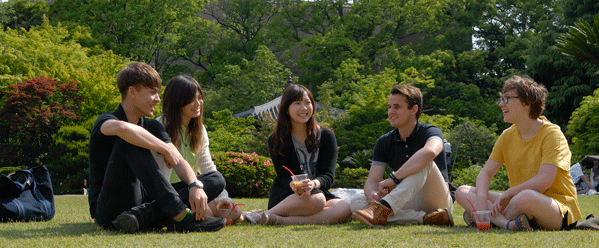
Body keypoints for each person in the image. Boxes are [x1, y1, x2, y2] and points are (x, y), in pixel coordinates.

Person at [87, 62, 225, 233]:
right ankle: (178, 212)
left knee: (215, 179)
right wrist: (165, 148)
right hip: (108, 208)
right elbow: (121, 129)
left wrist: (194, 185)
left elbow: (179, 160)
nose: (158, 99)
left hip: (141, 202)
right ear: (132, 92)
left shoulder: (153, 126)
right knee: (130, 137)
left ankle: (143, 217)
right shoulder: (106, 120)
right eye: (152, 93)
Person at [455, 75, 581, 231]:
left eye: (507, 99)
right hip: (516, 203)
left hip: (555, 209)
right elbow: (485, 173)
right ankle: (506, 223)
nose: (501, 104)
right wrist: (481, 198)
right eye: (501, 99)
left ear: (527, 103)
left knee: (524, 196)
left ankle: (485, 218)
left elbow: (545, 179)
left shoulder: (552, 134)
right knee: (462, 191)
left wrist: (508, 193)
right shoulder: (507, 136)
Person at [244, 84, 352, 225]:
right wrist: (294, 185)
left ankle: (279, 220)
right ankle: (267, 214)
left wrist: (313, 184)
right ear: (287, 109)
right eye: (297, 103)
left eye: (308, 103)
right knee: (317, 201)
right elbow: (283, 176)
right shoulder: (277, 140)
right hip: (289, 195)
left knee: (344, 208)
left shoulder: (326, 136)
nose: (304, 108)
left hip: (317, 192)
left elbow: (328, 176)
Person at [351, 84, 454, 227]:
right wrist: (372, 194)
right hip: (404, 198)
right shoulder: (384, 141)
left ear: (414, 109)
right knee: (356, 203)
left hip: (436, 199)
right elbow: (372, 180)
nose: (391, 112)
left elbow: (430, 151)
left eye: (397, 107)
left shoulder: (431, 132)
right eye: (389, 107)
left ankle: (383, 209)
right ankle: (427, 218)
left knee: (425, 161)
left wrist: (394, 178)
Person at [154, 75, 243, 223]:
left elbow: (207, 168)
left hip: (191, 188)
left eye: (199, 98)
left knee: (232, 209)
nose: (197, 104)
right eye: (191, 99)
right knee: (207, 212)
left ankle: (211, 212)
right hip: (167, 191)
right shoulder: (161, 125)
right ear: (177, 101)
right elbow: (158, 175)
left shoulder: (199, 129)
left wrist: (223, 198)